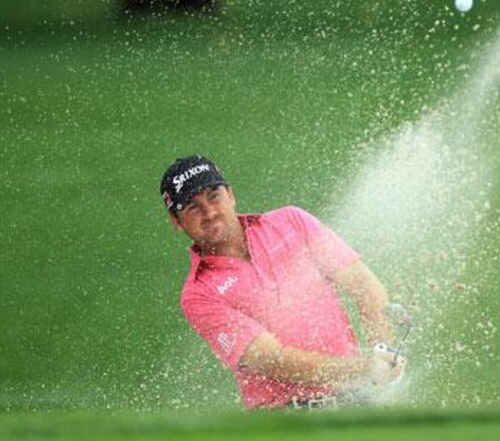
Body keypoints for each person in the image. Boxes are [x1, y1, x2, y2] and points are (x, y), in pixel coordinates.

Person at [160, 155, 406, 409]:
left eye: (214, 196)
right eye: (193, 207)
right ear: (177, 222)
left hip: (355, 402)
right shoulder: (200, 295)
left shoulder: (291, 221)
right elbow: (273, 360)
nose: (210, 212)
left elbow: (364, 287)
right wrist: (364, 369)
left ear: (231, 195)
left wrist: (383, 353)